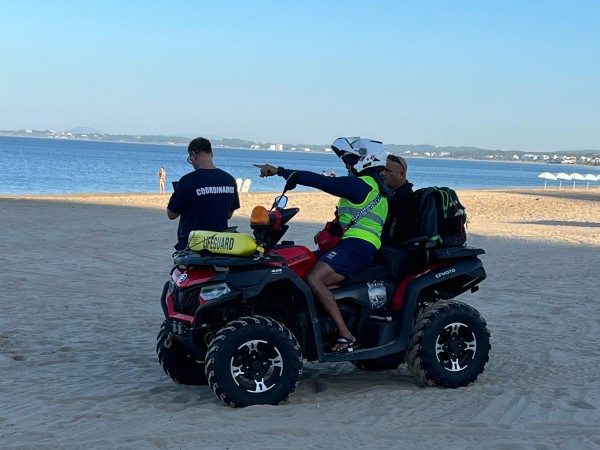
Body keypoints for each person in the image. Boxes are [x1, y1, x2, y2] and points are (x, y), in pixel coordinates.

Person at [255, 137, 389, 353]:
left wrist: (281, 171)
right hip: (349, 244)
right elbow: (348, 220)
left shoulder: (363, 185)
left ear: (366, 161)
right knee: (300, 262)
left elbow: (323, 182)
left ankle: (346, 335)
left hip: (359, 246)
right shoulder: (367, 188)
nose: (347, 164)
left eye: (351, 159)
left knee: (314, 278)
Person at [167, 137, 240, 250]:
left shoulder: (188, 181)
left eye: (190, 158)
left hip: (192, 244)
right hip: (219, 244)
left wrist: (175, 195)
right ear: (211, 154)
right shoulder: (229, 180)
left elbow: (172, 214)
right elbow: (228, 215)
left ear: (194, 155)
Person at [381, 154, 414, 245]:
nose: (383, 173)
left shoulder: (406, 198)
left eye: (388, 171)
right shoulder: (393, 193)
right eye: (382, 169)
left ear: (401, 174)